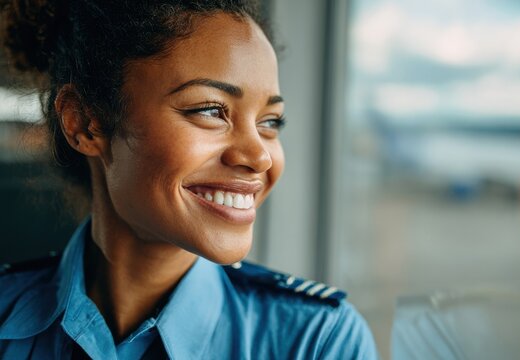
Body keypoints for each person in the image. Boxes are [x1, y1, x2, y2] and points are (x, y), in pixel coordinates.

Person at [0, 1, 379, 359]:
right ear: (85, 123)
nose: (260, 156)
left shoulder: (317, 343)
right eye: (211, 110)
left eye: (270, 122)